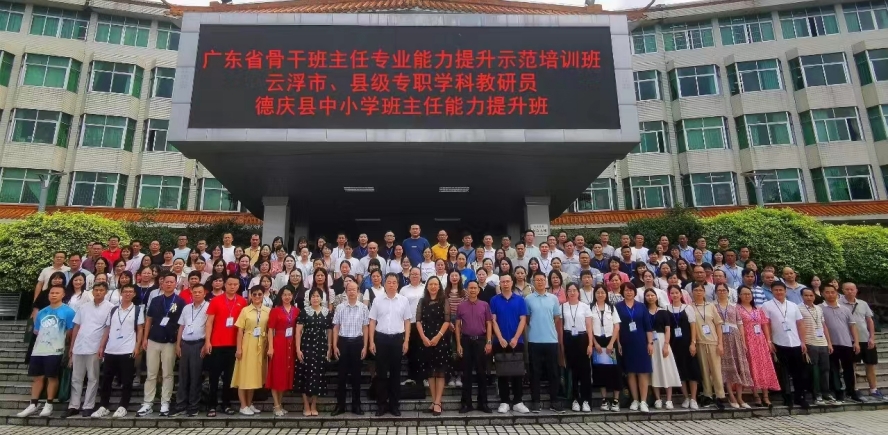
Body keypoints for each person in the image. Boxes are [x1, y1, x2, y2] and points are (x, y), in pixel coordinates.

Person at [17, 285, 76, 418]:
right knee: (37, 377)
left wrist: (68, 350)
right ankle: (33, 404)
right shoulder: (42, 312)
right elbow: (37, 331)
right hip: (39, 349)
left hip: (56, 349)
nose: (53, 295)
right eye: (51, 293)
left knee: (52, 377)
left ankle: (49, 404)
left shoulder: (68, 312)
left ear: (63, 295)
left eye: (57, 293)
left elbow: (70, 332)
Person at [137, 272, 185, 417]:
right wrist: (145, 338)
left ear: (175, 284)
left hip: (170, 341)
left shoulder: (180, 301)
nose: (169, 284)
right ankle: (148, 403)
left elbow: (182, 324)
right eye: (166, 282)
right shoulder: (156, 300)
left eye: (172, 282)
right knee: (151, 373)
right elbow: (149, 320)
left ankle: (165, 402)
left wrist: (178, 343)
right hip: (153, 339)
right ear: (162, 283)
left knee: (167, 373)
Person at [93, 284, 143, 418]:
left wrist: (137, 346)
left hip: (127, 349)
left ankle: (123, 406)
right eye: (125, 291)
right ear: (121, 293)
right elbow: (107, 329)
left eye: (130, 292)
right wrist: (102, 346)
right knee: (107, 380)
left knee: (126, 380)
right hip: (111, 349)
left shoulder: (137, 310)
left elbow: (140, 330)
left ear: (134, 294)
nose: (127, 294)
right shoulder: (114, 310)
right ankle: (103, 406)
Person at [67, 282, 114, 417]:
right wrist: (72, 346)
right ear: (92, 292)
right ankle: (74, 405)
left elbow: (107, 329)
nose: (98, 292)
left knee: (93, 378)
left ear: (106, 292)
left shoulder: (110, 308)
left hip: (95, 346)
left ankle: (88, 405)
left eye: (101, 290)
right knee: (76, 378)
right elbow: (76, 327)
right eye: (96, 290)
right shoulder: (84, 307)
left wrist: (102, 346)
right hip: (79, 345)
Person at [368, 273, 412, 416]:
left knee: (395, 374)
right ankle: (381, 405)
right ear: (385, 284)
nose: (391, 285)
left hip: (397, 339)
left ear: (398, 285)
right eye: (389, 282)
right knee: (381, 373)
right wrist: (371, 341)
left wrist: (406, 341)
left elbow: (407, 321)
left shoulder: (404, 300)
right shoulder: (377, 300)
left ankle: (394, 405)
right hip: (381, 339)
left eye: (394, 282)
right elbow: (372, 321)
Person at [204, 275, 248, 416]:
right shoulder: (215, 300)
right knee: (214, 376)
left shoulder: (242, 301)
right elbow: (209, 322)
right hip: (217, 344)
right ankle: (211, 405)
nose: (232, 286)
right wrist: (207, 341)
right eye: (230, 284)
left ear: (238, 286)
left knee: (229, 378)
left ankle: (226, 404)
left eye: (235, 284)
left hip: (234, 345)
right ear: (225, 285)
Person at [762, 281, 810, 410]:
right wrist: (769, 341)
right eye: (776, 290)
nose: (779, 292)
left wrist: (803, 341)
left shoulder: (793, 305)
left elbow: (800, 324)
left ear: (785, 291)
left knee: (799, 372)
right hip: (779, 342)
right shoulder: (767, 306)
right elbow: (766, 324)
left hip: (795, 342)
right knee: (783, 373)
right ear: (772, 291)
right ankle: (787, 397)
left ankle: (800, 397)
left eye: (781, 290)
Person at [489, 273, 530, 414]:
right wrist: (500, 338)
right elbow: (493, 320)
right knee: (502, 373)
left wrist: (516, 338)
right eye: (503, 282)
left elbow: (523, 320)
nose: (505, 284)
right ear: (500, 284)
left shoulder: (520, 300)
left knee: (518, 373)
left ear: (512, 283)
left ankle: (518, 401)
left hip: (517, 341)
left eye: (508, 281)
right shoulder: (494, 300)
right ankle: (504, 401)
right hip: (500, 341)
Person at [736, 286, 780, 408]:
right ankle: (755, 394)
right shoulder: (737, 309)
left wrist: (768, 340)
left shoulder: (758, 309)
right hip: (748, 340)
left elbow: (764, 324)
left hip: (760, 340)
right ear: (739, 295)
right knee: (753, 367)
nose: (747, 296)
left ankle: (765, 395)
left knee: (764, 366)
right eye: (744, 294)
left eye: (749, 294)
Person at [525, 271, 563, 413]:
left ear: (546, 281)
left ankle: (554, 401)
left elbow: (556, 318)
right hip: (534, 340)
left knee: (553, 372)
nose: (540, 282)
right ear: (533, 282)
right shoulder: (528, 299)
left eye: (542, 279)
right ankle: (535, 401)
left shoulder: (553, 298)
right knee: (535, 372)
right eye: (537, 280)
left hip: (551, 340)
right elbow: (527, 318)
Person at [332, 281, 369, 416]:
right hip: (343, 342)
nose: (352, 292)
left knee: (356, 377)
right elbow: (336, 327)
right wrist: (334, 345)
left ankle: (356, 405)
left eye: (354, 290)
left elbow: (365, 327)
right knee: (341, 376)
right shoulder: (340, 307)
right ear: (346, 292)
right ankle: (340, 405)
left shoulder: (363, 308)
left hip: (357, 343)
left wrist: (365, 346)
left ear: (358, 292)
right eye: (349, 290)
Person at [232, 285, 271, 415]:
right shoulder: (245, 310)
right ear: (251, 296)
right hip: (248, 343)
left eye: (259, 294)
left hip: (261, 344)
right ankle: (243, 405)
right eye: (254, 294)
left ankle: (249, 403)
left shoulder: (267, 311)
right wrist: (239, 348)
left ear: (263, 295)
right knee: (244, 375)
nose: (257, 297)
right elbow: (239, 331)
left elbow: (269, 330)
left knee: (254, 376)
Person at [455, 280, 493, 414]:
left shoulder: (485, 305)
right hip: (466, 341)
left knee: (482, 373)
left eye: (475, 288)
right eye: (470, 288)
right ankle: (466, 403)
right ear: (467, 290)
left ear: (478, 290)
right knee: (466, 374)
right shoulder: (461, 306)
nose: (472, 290)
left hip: (481, 341)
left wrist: (489, 342)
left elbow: (489, 324)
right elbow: (457, 326)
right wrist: (458, 344)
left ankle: (483, 403)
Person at [415, 277, 451, 416]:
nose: (433, 286)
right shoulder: (422, 301)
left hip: (440, 339)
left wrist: (438, 336)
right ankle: (434, 401)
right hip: (426, 339)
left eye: (436, 284)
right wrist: (423, 337)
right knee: (430, 372)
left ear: (439, 286)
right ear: (427, 286)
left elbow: (447, 321)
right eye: (431, 284)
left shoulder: (444, 301)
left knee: (440, 372)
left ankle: (438, 402)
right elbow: (418, 321)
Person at [821, 283, 862, 403]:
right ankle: (838, 392)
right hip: (830, 344)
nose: (830, 295)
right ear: (822, 294)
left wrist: (856, 342)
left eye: (832, 292)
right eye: (827, 292)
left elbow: (852, 326)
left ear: (837, 294)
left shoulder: (845, 309)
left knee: (849, 369)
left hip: (846, 343)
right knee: (833, 369)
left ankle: (851, 391)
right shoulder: (819, 308)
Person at [172, 284, 209, 417]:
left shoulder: (208, 307)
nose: (197, 294)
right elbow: (181, 326)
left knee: (195, 376)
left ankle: (194, 405)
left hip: (199, 344)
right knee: (183, 376)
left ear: (204, 293)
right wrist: (178, 345)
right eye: (195, 292)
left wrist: (206, 344)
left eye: (199, 292)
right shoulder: (187, 308)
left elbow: (210, 327)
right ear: (191, 294)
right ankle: (180, 405)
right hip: (185, 344)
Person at [615, 283, 653, 412]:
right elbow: (616, 327)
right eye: (626, 290)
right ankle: (635, 400)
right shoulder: (618, 307)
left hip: (641, 342)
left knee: (643, 372)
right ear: (622, 292)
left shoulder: (641, 306)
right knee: (630, 372)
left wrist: (650, 343)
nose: (629, 292)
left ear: (635, 292)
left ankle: (643, 401)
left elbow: (648, 326)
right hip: (626, 343)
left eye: (631, 290)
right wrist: (618, 343)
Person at [840, 282, 882, 399]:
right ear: (843, 290)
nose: (850, 291)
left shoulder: (863, 303)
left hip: (865, 338)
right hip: (849, 340)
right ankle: (854, 389)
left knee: (870, 364)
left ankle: (874, 389)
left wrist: (872, 337)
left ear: (856, 290)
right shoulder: (839, 304)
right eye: (847, 289)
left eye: (852, 289)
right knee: (851, 366)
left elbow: (869, 321)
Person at [714, 283, 753, 408]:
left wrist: (743, 341)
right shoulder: (713, 306)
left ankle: (740, 397)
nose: (722, 292)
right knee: (727, 367)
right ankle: (731, 396)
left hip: (735, 337)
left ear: (728, 292)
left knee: (739, 366)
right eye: (719, 290)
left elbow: (740, 324)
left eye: (724, 290)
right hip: (722, 338)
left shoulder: (734, 306)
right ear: (716, 292)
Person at [295, 287, 331, 417]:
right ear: (309, 298)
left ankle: (314, 405)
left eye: (317, 296)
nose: (315, 298)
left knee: (318, 375)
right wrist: (298, 349)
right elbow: (298, 331)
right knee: (305, 375)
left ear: (322, 298)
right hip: (306, 346)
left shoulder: (327, 313)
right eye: (313, 296)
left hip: (321, 347)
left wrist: (329, 348)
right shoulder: (304, 312)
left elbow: (329, 331)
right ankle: (306, 405)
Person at [690, 283, 726, 409]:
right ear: (692, 292)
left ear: (704, 292)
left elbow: (718, 325)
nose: (698, 292)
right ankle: (707, 395)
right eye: (696, 290)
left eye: (700, 290)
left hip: (713, 341)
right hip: (700, 342)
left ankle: (720, 395)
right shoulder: (690, 307)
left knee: (716, 370)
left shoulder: (711, 306)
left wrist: (720, 343)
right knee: (704, 370)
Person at [559, 283, 594, 412]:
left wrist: (590, 344)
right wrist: (562, 345)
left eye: (574, 290)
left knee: (585, 371)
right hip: (569, 338)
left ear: (578, 292)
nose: (572, 293)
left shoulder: (585, 306)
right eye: (569, 290)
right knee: (572, 372)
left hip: (582, 338)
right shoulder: (562, 307)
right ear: (566, 293)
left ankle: (586, 400)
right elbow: (560, 328)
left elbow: (589, 326)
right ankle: (574, 399)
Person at [645, 288, 681, 410]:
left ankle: (669, 400)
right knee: (654, 371)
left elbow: (668, 329)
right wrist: (649, 343)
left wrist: (666, 344)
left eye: (652, 295)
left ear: (656, 297)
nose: (650, 297)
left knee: (667, 369)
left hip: (662, 341)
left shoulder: (663, 312)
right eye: (648, 295)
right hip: (650, 342)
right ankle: (658, 399)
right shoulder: (644, 312)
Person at [266, 286, 300, 416]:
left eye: (289, 294)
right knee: (277, 374)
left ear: (293, 296)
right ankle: (276, 405)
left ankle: (279, 404)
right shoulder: (275, 311)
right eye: (284, 294)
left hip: (291, 343)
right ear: (281, 296)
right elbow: (270, 329)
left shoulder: (297, 310)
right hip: (279, 343)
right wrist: (270, 347)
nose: (287, 297)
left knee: (285, 374)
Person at [800, 287, 834, 405]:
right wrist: (803, 342)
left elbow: (824, 326)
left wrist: (829, 343)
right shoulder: (798, 308)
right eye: (806, 295)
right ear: (802, 296)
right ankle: (817, 394)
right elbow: (799, 326)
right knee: (814, 370)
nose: (809, 298)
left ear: (814, 296)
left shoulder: (819, 308)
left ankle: (826, 392)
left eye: (811, 295)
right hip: (809, 342)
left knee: (825, 369)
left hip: (822, 342)